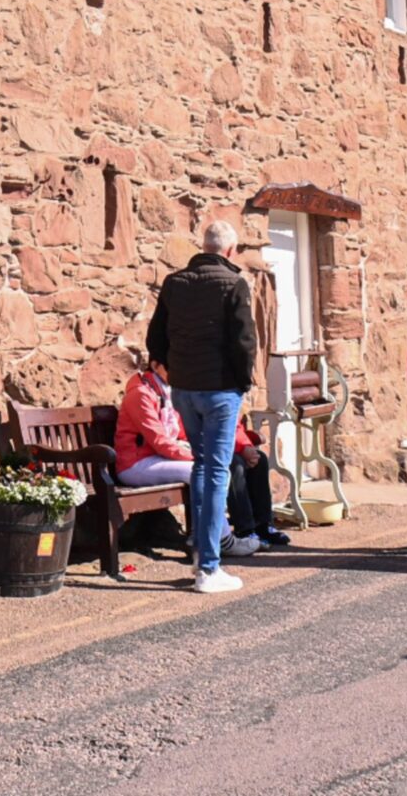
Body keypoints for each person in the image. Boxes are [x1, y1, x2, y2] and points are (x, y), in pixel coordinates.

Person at [147, 219, 259, 593]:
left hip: (184, 390)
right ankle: (209, 568)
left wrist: (169, 368)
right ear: (229, 251)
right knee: (216, 472)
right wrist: (243, 382)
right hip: (220, 391)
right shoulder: (234, 283)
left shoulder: (174, 283)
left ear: (204, 246)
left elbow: (155, 336)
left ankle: (200, 551)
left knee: (201, 468)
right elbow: (244, 341)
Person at [113, 360, 192, 487]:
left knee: (217, 469)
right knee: (204, 472)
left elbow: (182, 433)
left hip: (161, 458)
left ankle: (214, 507)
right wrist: (196, 457)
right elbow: (159, 441)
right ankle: (209, 508)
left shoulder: (167, 392)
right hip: (135, 464)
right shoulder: (141, 394)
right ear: (155, 366)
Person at [225, 411, 291, 552]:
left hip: (226, 445)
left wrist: (246, 447)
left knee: (259, 459)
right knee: (235, 465)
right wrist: (241, 449)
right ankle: (245, 530)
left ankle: (262, 525)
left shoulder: (225, 394)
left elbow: (234, 426)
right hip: (202, 448)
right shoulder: (190, 395)